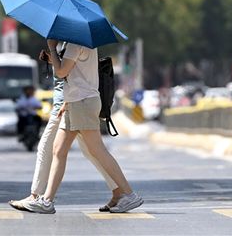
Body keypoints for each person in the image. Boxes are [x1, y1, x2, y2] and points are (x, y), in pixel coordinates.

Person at [22, 39, 143, 214]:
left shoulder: (75, 44)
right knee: (58, 149)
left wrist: (52, 49)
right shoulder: (84, 42)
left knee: (97, 150)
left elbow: (62, 72)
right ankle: (46, 201)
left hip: (83, 102)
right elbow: (74, 71)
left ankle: (129, 194)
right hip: (74, 102)